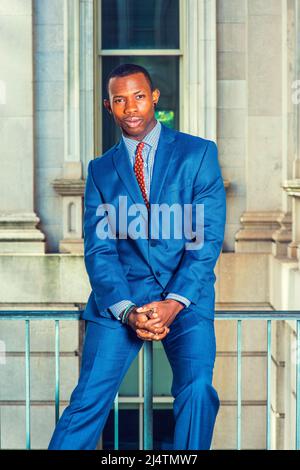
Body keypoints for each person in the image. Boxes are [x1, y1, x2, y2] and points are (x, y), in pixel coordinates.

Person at [48, 63, 226, 450]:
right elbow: (100, 250)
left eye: (139, 96)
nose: (131, 108)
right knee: (87, 401)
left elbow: (206, 240)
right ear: (108, 107)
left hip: (187, 299)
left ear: (155, 98)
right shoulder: (99, 170)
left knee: (198, 391)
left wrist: (173, 303)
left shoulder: (198, 154)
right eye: (120, 100)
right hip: (121, 299)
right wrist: (128, 310)